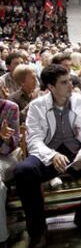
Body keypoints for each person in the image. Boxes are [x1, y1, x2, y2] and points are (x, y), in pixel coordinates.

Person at [14, 64, 81, 248]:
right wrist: (52, 155)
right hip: (48, 154)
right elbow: (34, 140)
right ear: (51, 87)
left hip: (77, 153)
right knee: (23, 171)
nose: (70, 85)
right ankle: (37, 230)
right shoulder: (37, 106)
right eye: (64, 82)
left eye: (70, 80)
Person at [0, 99, 20, 248]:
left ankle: (2, 239)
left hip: (4, 156)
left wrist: (4, 139)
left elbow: (14, 143)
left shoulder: (10, 108)